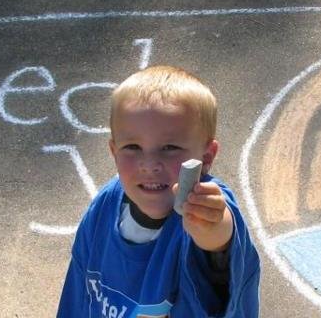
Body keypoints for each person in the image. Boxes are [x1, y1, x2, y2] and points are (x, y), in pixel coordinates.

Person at [57, 65, 260, 317]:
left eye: (170, 147)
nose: (150, 164)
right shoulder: (104, 207)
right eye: (132, 147)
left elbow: (221, 240)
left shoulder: (203, 205)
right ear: (114, 152)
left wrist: (211, 228)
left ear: (206, 157)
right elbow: (78, 291)